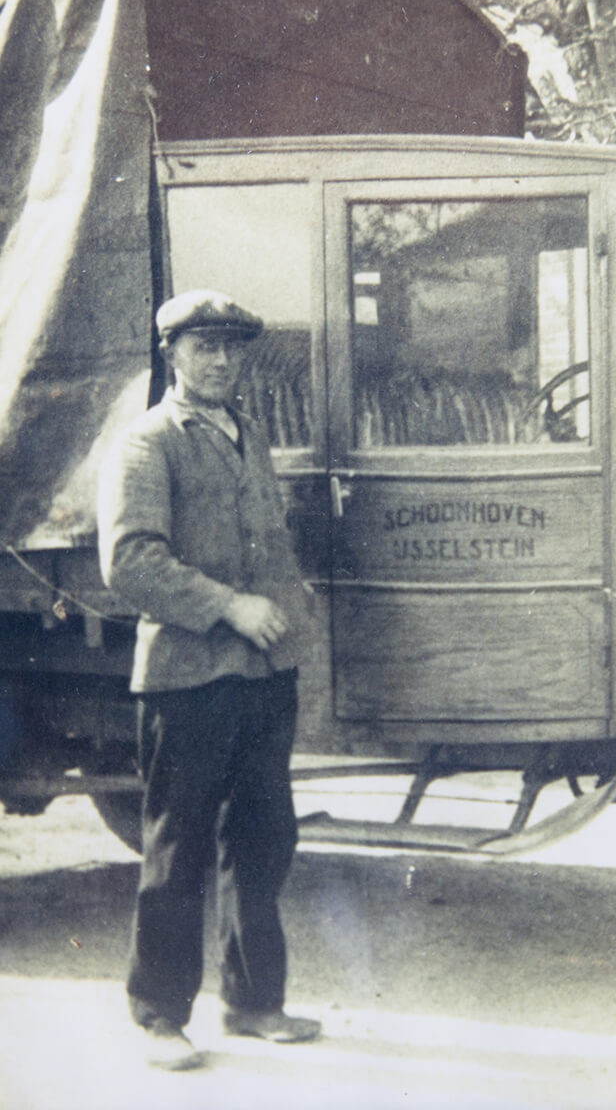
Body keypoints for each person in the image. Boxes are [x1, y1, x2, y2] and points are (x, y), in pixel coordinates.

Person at [97, 289, 320, 1071]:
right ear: (172, 355)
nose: (221, 361)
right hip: (189, 676)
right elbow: (130, 563)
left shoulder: (246, 432)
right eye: (204, 348)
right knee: (177, 847)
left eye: (231, 348)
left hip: (262, 673)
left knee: (262, 839)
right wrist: (230, 606)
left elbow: (268, 542)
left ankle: (255, 1003)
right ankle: (159, 1015)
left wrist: (287, 612)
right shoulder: (148, 442)